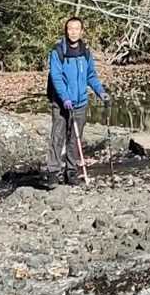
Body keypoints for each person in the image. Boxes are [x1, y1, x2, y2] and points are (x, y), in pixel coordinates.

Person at [45, 17, 107, 187]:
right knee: (58, 137)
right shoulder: (58, 51)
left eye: (76, 29)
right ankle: (53, 172)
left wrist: (100, 91)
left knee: (74, 138)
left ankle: (71, 172)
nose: (73, 32)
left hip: (80, 103)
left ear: (82, 31)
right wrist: (64, 97)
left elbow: (91, 75)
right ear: (66, 31)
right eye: (70, 29)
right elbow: (56, 77)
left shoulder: (85, 51)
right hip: (61, 103)